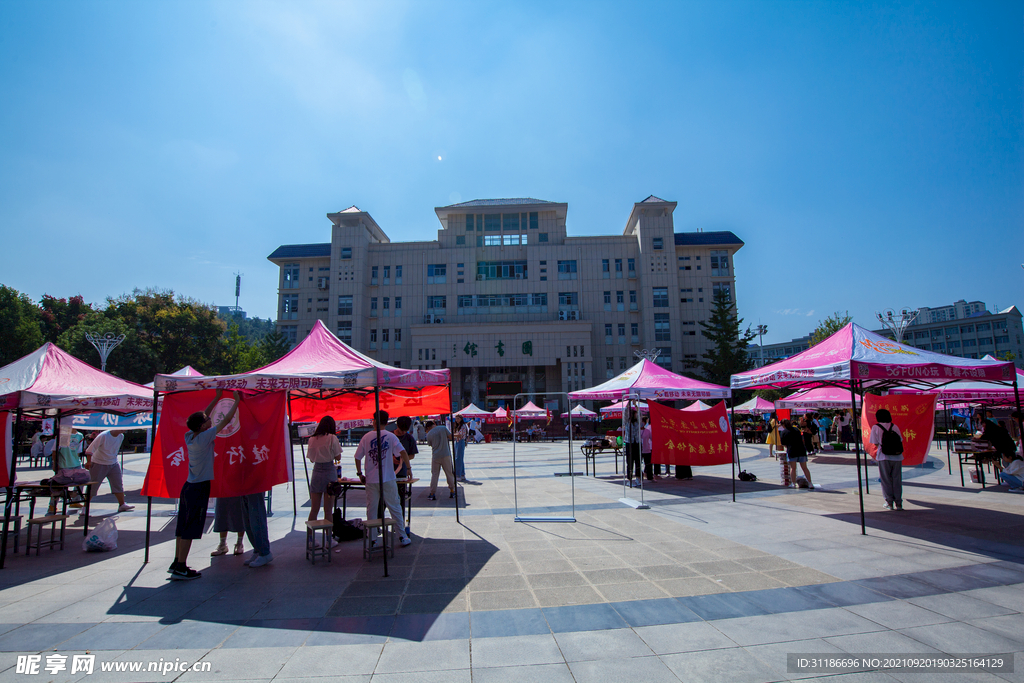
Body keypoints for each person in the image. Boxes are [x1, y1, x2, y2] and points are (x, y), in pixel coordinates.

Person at [170, 390, 241, 581]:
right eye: (207, 420)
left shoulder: (190, 436)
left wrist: (217, 397)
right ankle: (181, 568)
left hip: (188, 486)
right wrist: (236, 401)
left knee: (182, 526)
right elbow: (225, 421)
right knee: (190, 528)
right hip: (198, 487)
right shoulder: (204, 437)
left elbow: (203, 417)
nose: (210, 419)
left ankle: (177, 561)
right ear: (202, 426)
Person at [353, 410, 412, 548]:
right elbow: (402, 452)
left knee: (372, 509)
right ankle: (402, 536)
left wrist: (360, 473)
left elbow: (357, 457)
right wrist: (408, 468)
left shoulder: (366, 437)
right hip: (388, 478)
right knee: (395, 507)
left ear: (374, 420)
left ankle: (373, 539)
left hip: (371, 480)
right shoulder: (391, 436)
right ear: (387, 422)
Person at [82, 428, 134, 514]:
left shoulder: (121, 436)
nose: (125, 429)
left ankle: (122, 504)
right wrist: (88, 462)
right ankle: (85, 507)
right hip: (99, 463)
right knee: (93, 486)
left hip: (113, 463)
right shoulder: (103, 435)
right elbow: (90, 450)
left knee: (118, 484)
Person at [306, 416, 342, 522]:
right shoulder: (332, 438)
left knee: (314, 509)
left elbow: (311, 459)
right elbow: (338, 457)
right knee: (328, 510)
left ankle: (311, 536)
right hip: (329, 471)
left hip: (316, 471)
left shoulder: (312, 439)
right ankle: (328, 537)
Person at [868, 408, 903, 510]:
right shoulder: (894, 426)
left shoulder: (876, 427)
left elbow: (875, 442)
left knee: (886, 480)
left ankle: (889, 502)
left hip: (883, 456)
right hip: (897, 456)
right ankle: (899, 503)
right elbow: (900, 440)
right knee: (897, 479)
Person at [393, 416, 417, 528]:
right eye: (400, 429)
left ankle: (400, 524)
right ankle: (378, 523)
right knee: (382, 501)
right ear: (396, 425)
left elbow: (412, 454)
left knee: (400, 500)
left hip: (401, 473)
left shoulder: (409, 439)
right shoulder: (389, 436)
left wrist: (404, 459)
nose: (402, 432)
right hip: (386, 472)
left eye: (405, 430)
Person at [425, 420, 456, 501]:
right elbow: (451, 437)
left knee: (435, 474)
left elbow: (430, 444)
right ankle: (452, 491)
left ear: (428, 427)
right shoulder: (443, 428)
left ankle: (432, 493)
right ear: (434, 424)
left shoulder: (429, 434)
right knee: (449, 473)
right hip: (446, 454)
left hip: (435, 456)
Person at [780, 419, 813, 489]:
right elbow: (802, 438)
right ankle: (810, 483)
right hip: (801, 450)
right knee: (805, 468)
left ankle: (793, 483)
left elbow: (783, 443)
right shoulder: (796, 429)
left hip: (792, 450)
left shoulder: (784, 432)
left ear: (783, 425)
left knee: (793, 468)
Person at [622, 406, 642, 488]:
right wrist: (629, 404)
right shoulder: (627, 422)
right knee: (629, 462)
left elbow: (640, 415)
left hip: (637, 442)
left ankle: (638, 478)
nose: (636, 415)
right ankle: (629, 479)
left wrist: (636, 405)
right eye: (635, 414)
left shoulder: (637, 422)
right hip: (629, 443)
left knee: (638, 461)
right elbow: (625, 413)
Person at [453, 416, 468, 482]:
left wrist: (453, 435)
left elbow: (460, 435)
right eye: (456, 419)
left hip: (461, 441)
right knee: (459, 458)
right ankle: (462, 474)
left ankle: (458, 475)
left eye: (458, 418)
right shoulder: (458, 426)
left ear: (461, 419)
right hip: (457, 441)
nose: (457, 420)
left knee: (458, 458)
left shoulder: (463, 426)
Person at [641, 416, 655, 481]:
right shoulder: (636, 431)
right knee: (638, 464)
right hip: (639, 449)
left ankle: (650, 477)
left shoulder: (647, 431)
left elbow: (652, 438)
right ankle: (639, 476)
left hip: (647, 449)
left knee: (648, 464)